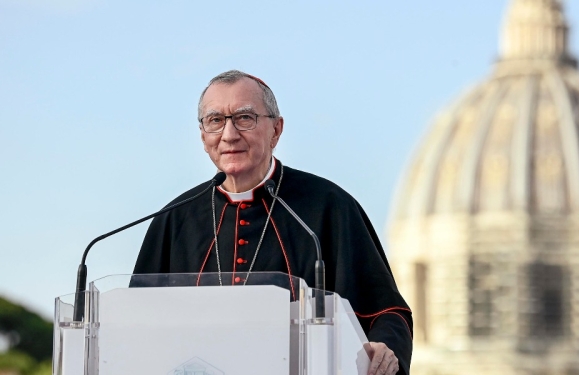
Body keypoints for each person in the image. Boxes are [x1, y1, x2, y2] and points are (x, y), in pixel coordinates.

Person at [133, 70, 412, 375]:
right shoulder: (173, 220)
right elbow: (133, 326)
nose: (229, 135)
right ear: (203, 137)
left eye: (244, 118)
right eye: (215, 121)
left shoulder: (329, 207)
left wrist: (385, 347)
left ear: (276, 130)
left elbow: (386, 313)